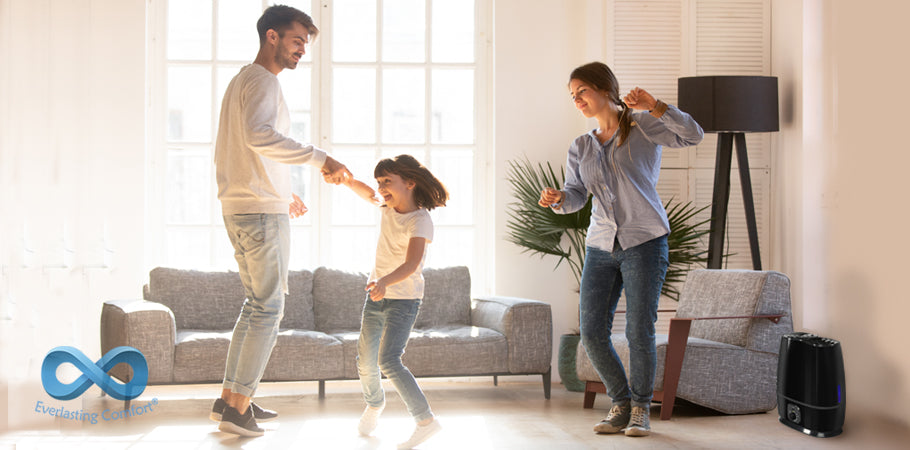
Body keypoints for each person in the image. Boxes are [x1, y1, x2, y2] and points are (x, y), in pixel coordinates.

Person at [538, 62, 704, 437]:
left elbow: (693, 135)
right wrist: (558, 198)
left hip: (644, 241)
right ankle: (620, 403)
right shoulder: (581, 145)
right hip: (600, 244)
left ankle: (642, 409)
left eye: (581, 91)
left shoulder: (643, 125)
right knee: (592, 331)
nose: (577, 99)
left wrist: (656, 105)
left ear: (604, 88)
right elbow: (577, 196)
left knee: (638, 331)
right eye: (572, 95)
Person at [211, 5, 354, 437]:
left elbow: (242, 147)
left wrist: (281, 189)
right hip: (258, 212)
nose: (301, 50)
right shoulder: (263, 81)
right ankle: (237, 407)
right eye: (296, 41)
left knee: (256, 306)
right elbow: (259, 137)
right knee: (268, 309)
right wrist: (320, 158)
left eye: (305, 44)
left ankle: (233, 400)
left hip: (244, 204)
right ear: (271, 37)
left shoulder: (242, 81)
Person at [348, 155, 448, 449]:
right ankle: (375, 403)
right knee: (365, 361)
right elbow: (364, 191)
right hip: (377, 297)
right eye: (380, 182)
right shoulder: (386, 207)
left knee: (388, 359)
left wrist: (383, 282)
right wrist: (345, 179)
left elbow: (412, 264)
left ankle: (425, 421)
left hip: (403, 300)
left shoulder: (421, 220)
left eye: (387, 182)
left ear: (410, 182)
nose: (380, 189)